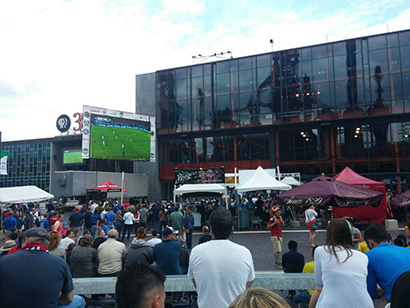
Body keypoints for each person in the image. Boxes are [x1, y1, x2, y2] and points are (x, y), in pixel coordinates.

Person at [0, 227, 85, 308]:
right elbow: (69, 298)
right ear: (47, 244)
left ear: (26, 240)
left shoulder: (4, 260)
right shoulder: (60, 263)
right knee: (79, 300)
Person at [188, 207, 255, 308]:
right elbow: (248, 282)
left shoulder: (196, 252)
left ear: (210, 229)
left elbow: (196, 282)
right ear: (232, 228)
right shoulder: (244, 252)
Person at [309, 219, 373, 308]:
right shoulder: (363, 257)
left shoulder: (320, 251)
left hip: (332, 304)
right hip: (364, 304)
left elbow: (319, 286)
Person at [364, 223, 410, 306]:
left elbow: (370, 292)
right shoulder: (406, 250)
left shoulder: (368, 256)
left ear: (370, 243)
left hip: (402, 299)